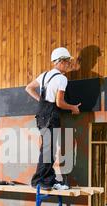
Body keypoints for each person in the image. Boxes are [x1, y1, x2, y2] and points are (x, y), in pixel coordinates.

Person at [25, 47, 81, 190]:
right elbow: (59, 103)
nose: (69, 65)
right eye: (68, 62)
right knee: (48, 150)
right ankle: (38, 180)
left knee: (48, 149)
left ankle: (49, 180)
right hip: (51, 115)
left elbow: (29, 88)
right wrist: (73, 108)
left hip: (41, 114)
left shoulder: (44, 75)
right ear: (61, 61)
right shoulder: (62, 79)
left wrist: (41, 101)